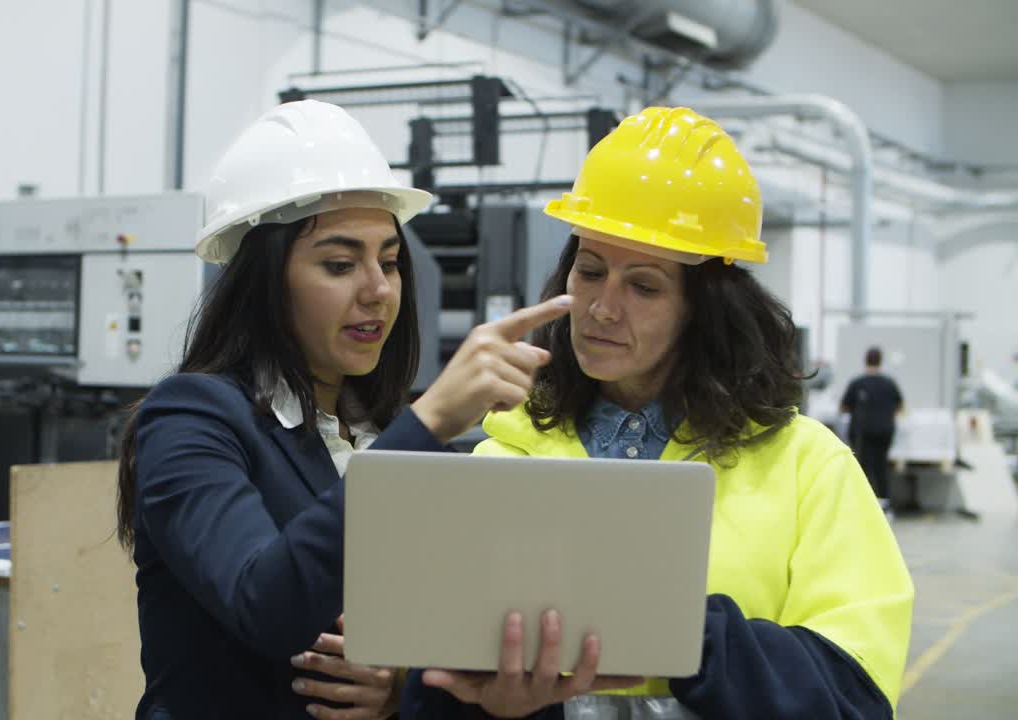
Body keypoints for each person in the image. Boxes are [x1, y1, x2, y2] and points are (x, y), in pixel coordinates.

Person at [403, 107, 915, 719]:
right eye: (590, 272)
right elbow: (431, 692)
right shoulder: (501, 460)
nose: (601, 308)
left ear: (704, 309)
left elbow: (851, 695)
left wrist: (680, 631)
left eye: (643, 286)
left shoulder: (809, 469)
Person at [114, 100, 587, 719]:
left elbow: (446, 632)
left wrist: (406, 689)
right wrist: (431, 421)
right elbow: (267, 605)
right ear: (263, 283)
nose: (378, 289)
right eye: (340, 264)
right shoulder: (191, 421)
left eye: (389, 261)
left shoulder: (383, 433)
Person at [841, 347, 905, 502]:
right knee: (881, 466)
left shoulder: (857, 383)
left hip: (863, 432)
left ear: (865, 360)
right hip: (885, 431)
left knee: (864, 467)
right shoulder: (889, 383)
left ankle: (864, 501)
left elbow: (844, 407)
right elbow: (900, 406)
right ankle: (884, 501)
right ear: (880, 361)